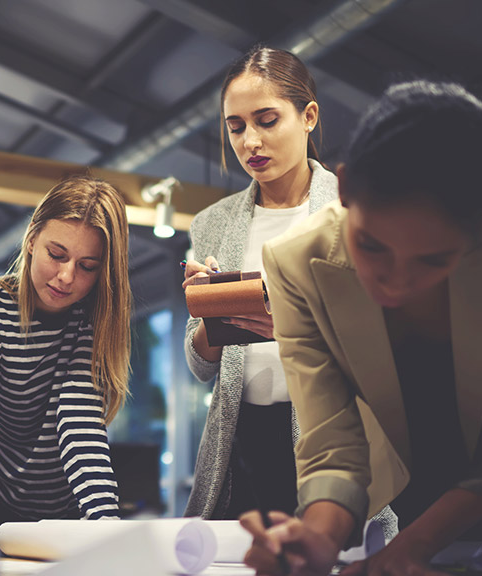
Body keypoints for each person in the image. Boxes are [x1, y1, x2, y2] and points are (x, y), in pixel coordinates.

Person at [242, 80, 482, 575]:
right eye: (373, 246)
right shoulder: (295, 263)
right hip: (417, 496)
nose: (396, 282)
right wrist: (317, 537)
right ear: (343, 189)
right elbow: (331, 440)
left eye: (433, 259)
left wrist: (413, 548)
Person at [0, 175, 131, 545]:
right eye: (56, 254)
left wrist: (107, 527)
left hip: (64, 513)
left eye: (87, 266)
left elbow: (81, 430)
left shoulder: (90, 322)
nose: (66, 277)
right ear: (31, 240)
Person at [183, 45, 336, 521]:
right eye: (236, 126)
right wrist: (210, 312)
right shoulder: (212, 223)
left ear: (308, 116)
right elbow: (201, 364)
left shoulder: (352, 213)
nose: (250, 141)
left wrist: (288, 328)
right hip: (239, 436)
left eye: (267, 120)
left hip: (329, 435)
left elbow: (386, 348)